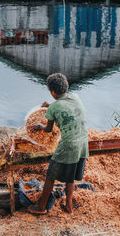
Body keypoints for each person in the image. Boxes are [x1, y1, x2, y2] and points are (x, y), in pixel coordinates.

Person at [28, 73, 89, 214]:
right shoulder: (75, 97)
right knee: (71, 176)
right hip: (83, 142)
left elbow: (48, 129)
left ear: (52, 92)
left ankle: (41, 207)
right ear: (66, 87)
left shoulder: (53, 108)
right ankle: (68, 206)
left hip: (69, 145)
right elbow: (65, 106)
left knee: (50, 176)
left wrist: (40, 126)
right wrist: (50, 106)